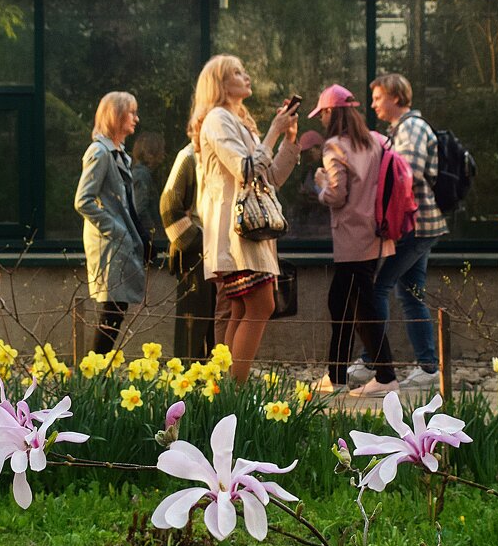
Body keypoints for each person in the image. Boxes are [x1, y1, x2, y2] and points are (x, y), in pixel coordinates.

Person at [189, 54, 299, 381]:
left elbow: (272, 177)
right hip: (237, 233)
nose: (246, 75)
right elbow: (247, 170)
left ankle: (225, 390)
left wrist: (289, 138)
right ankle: (235, 390)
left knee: (240, 309)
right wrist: (274, 131)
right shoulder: (217, 119)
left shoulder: (238, 121)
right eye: (237, 72)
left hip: (249, 231)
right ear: (220, 85)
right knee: (261, 305)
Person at [349, 73, 446, 389]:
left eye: (378, 97)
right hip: (415, 224)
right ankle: (428, 368)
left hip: (416, 225)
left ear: (395, 97)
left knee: (378, 286)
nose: (374, 104)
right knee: (410, 292)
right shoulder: (399, 130)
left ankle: (372, 362)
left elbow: (408, 171)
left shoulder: (413, 128)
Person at [309, 84, 399, 397]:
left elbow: (336, 194)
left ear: (331, 112)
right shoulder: (376, 140)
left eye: (322, 113)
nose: (320, 119)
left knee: (358, 306)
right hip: (375, 234)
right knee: (352, 304)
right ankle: (338, 376)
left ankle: (384, 376)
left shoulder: (335, 146)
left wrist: (320, 183)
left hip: (351, 239)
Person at [75, 91, 149, 354]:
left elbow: (126, 202)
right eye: (131, 112)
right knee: (112, 310)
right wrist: (116, 230)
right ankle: (93, 378)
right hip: (109, 245)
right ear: (116, 115)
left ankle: (97, 376)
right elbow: (83, 200)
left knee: (117, 308)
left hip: (120, 243)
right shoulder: (99, 152)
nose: (136, 119)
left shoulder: (119, 154)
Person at [161, 126, 217, 361]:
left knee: (215, 322)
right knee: (193, 323)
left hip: (219, 252)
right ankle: (187, 384)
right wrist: (198, 241)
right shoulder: (188, 157)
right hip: (196, 253)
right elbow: (169, 206)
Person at [130, 131, 166, 254]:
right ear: (151, 152)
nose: (163, 156)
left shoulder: (142, 173)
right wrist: (155, 234)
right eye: (160, 151)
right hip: (147, 242)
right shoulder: (141, 175)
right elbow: (140, 209)